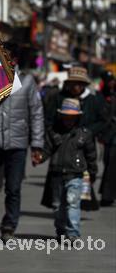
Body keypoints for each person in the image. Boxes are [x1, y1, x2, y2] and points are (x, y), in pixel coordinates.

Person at [0, 48, 44, 241]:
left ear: (15, 58)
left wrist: (37, 143)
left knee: (13, 188)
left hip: (18, 141)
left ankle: (9, 226)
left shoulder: (28, 81)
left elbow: (36, 112)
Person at [42, 66, 107, 209]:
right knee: (58, 172)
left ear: (84, 84)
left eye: (79, 84)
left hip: (84, 143)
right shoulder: (59, 98)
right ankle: (57, 201)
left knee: (83, 174)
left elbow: (103, 120)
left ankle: (78, 204)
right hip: (61, 142)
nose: (76, 87)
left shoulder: (94, 100)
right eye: (73, 83)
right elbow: (48, 119)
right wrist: (53, 135)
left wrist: (88, 132)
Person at [33, 98, 97, 240]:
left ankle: (72, 233)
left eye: (72, 118)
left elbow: (91, 155)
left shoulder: (84, 134)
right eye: (66, 117)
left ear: (77, 117)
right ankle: (61, 230)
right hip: (57, 173)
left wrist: (92, 172)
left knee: (72, 203)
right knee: (57, 205)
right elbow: (47, 150)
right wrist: (39, 157)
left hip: (75, 174)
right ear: (61, 116)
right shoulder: (54, 132)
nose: (68, 120)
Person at [99, 70, 116, 206]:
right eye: (109, 80)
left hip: (112, 135)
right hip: (108, 136)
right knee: (109, 165)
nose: (111, 82)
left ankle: (108, 195)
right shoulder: (101, 96)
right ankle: (107, 195)